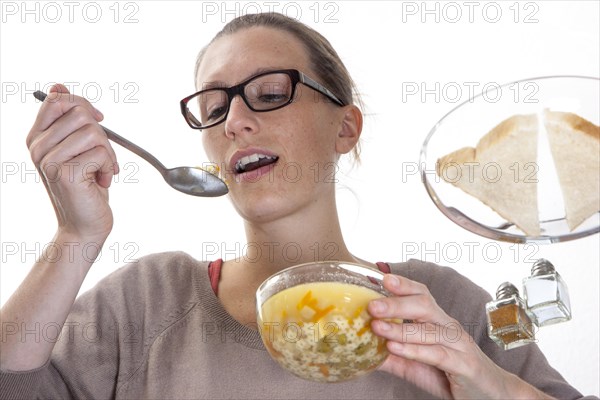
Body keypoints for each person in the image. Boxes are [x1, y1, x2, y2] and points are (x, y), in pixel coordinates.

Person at [0, 12, 596, 400]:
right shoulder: (148, 300)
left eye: (269, 93)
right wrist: (75, 236)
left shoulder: (443, 304)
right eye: (213, 108)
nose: (235, 120)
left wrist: (486, 384)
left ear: (346, 127)